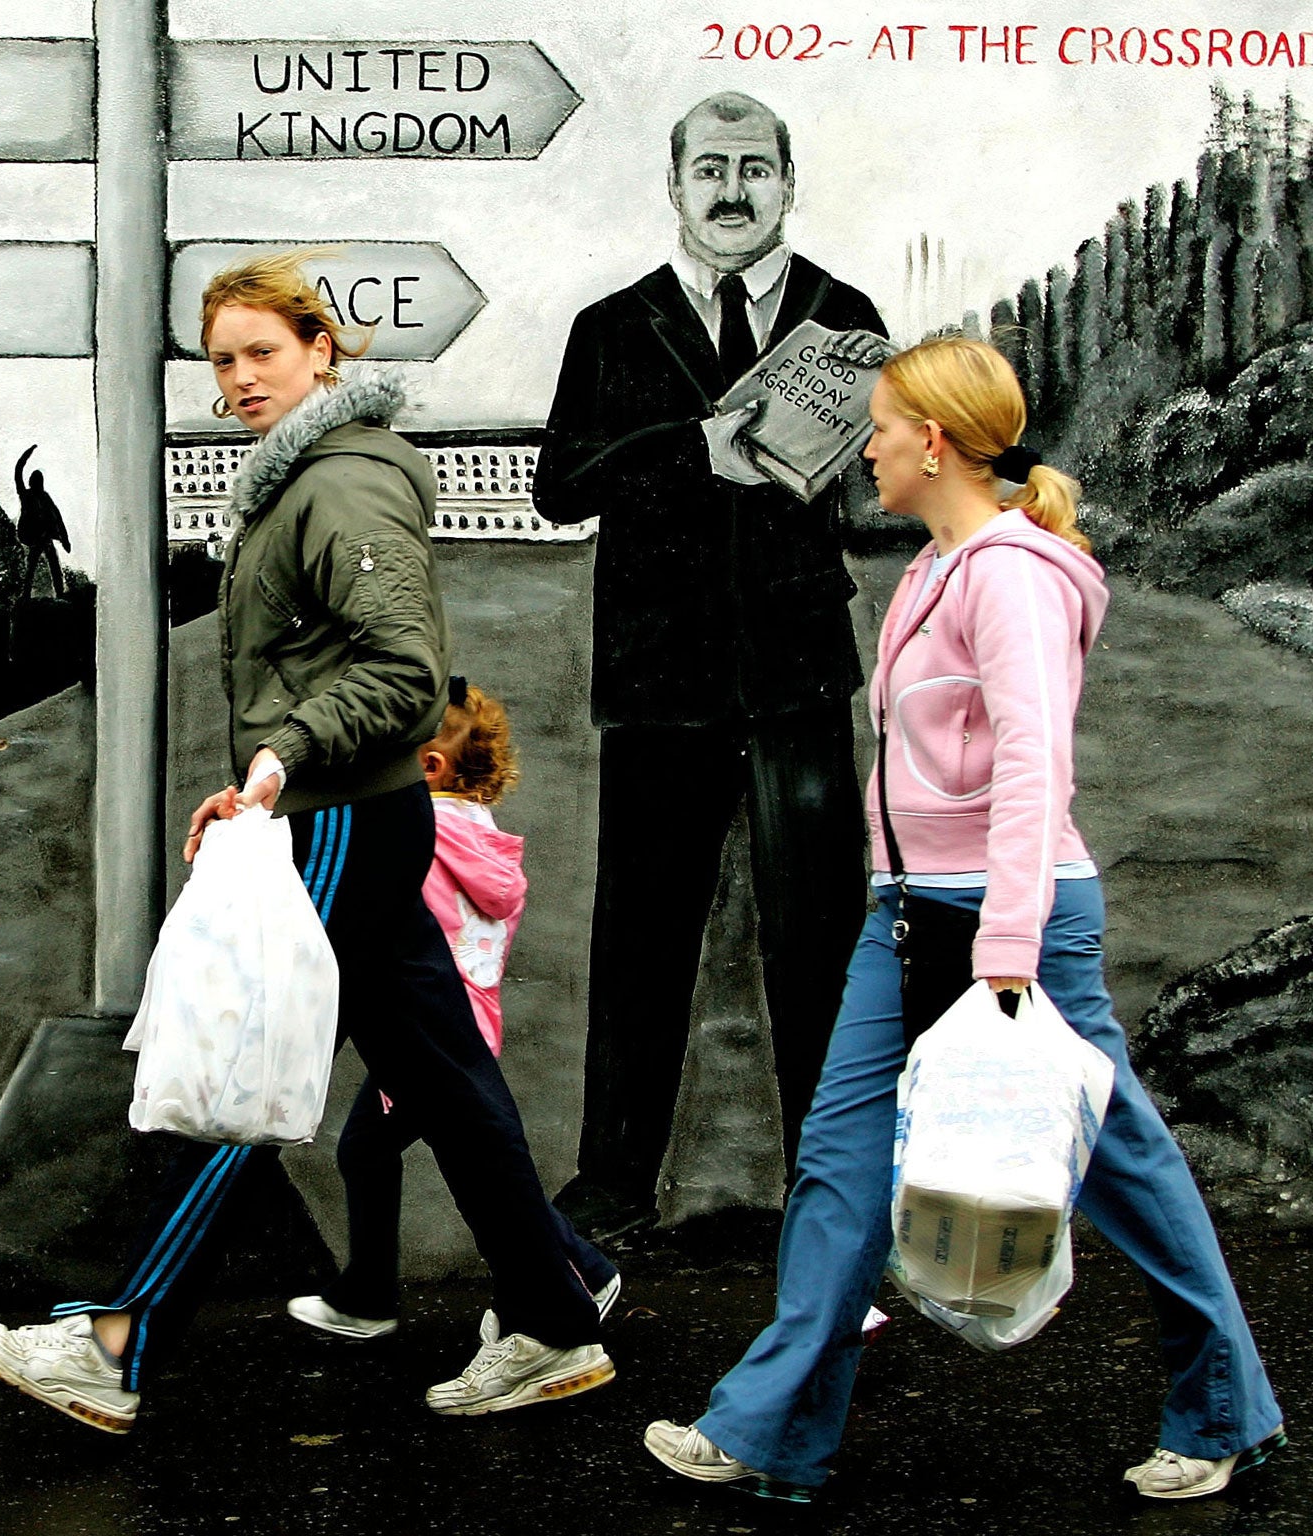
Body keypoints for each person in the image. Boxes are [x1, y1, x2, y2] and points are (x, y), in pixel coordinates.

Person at [0, 253, 614, 1433]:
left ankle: (117, 1345)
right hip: (335, 813)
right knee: (441, 1076)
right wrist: (258, 782)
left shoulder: (343, 487)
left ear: (322, 351)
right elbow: (318, 669)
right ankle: (553, 1314)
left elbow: (403, 670)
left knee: (236, 1073)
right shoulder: (300, 481)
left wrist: (278, 765)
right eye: (222, 358)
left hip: (337, 820)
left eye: (263, 349)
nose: (240, 375)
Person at [643, 336, 1286, 1503]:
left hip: (1008, 924)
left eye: (880, 427)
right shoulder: (930, 571)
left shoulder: (1012, 572)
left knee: (1120, 1170)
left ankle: (1223, 1410)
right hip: (900, 918)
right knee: (836, 1166)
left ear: (931, 440)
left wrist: (1004, 947)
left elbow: (1036, 766)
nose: (865, 447)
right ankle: (770, 1434)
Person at [531, 91, 889, 1244]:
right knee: (641, 937)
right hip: (658, 682)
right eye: (708, 170)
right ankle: (614, 1185)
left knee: (819, 939)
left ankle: (831, 1184)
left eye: (753, 168)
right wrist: (691, 452)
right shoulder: (611, 327)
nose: (730, 190)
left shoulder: (846, 317)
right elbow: (559, 484)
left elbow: (886, 466)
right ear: (674, 189)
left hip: (794, 678)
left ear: (789, 184)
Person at [288, 679, 618, 1338]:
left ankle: (580, 1269)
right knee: (435, 1149)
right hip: (465, 1023)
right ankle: (371, 1293)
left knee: (463, 1155)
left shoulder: (425, 838)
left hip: (430, 1025)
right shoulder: (481, 840)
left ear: (428, 768)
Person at [11, 443, 70, 600]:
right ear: (32, 482)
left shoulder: (44, 497)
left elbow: (57, 517)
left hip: (42, 535)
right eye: (35, 481)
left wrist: (65, 539)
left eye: (38, 481)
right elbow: (18, 472)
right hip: (28, 534)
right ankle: (26, 594)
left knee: (51, 556)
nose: (37, 484)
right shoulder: (26, 495)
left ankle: (59, 592)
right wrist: (27, 454)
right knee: (36, 557)